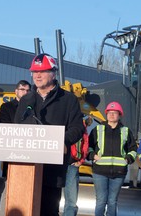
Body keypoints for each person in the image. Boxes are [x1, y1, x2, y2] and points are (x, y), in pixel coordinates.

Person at [14, 53, 84, 216]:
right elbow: (17, 127)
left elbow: (77, 128)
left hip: (52, 170)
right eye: (34, 72)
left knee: (48, 210)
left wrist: (60, 141)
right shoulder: (27, 100)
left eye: (42, 71)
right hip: (26, 169)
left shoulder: (68, 100)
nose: (37, 75)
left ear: (53, 73)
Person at [87, 101, 137, 216]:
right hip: (100, 172)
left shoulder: (126, 131)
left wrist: (128, 159)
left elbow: (133, 149)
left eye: (115, 113)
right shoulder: (98, 130)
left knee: (112, 202)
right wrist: (92, 155)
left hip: (119, 172)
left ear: (120, 115)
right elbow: (88, 146)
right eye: (109, 112)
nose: (111, 115)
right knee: (101, 201)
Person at [0, 80, 31, 216]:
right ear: (16, 91)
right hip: (12, 156)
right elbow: (6, 129)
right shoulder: (6, 107)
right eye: (22, 89)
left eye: (28, 90)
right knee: (8, 191)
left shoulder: (33, 109)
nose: (25, 92)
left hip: (29, 157)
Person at [63, 116, 93, 216]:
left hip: (72, 164)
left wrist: (81, 160)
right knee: (52, 196)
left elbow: (85, 142)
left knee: (71, 200)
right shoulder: (59, 117)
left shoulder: (81, 124)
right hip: (57, 163)